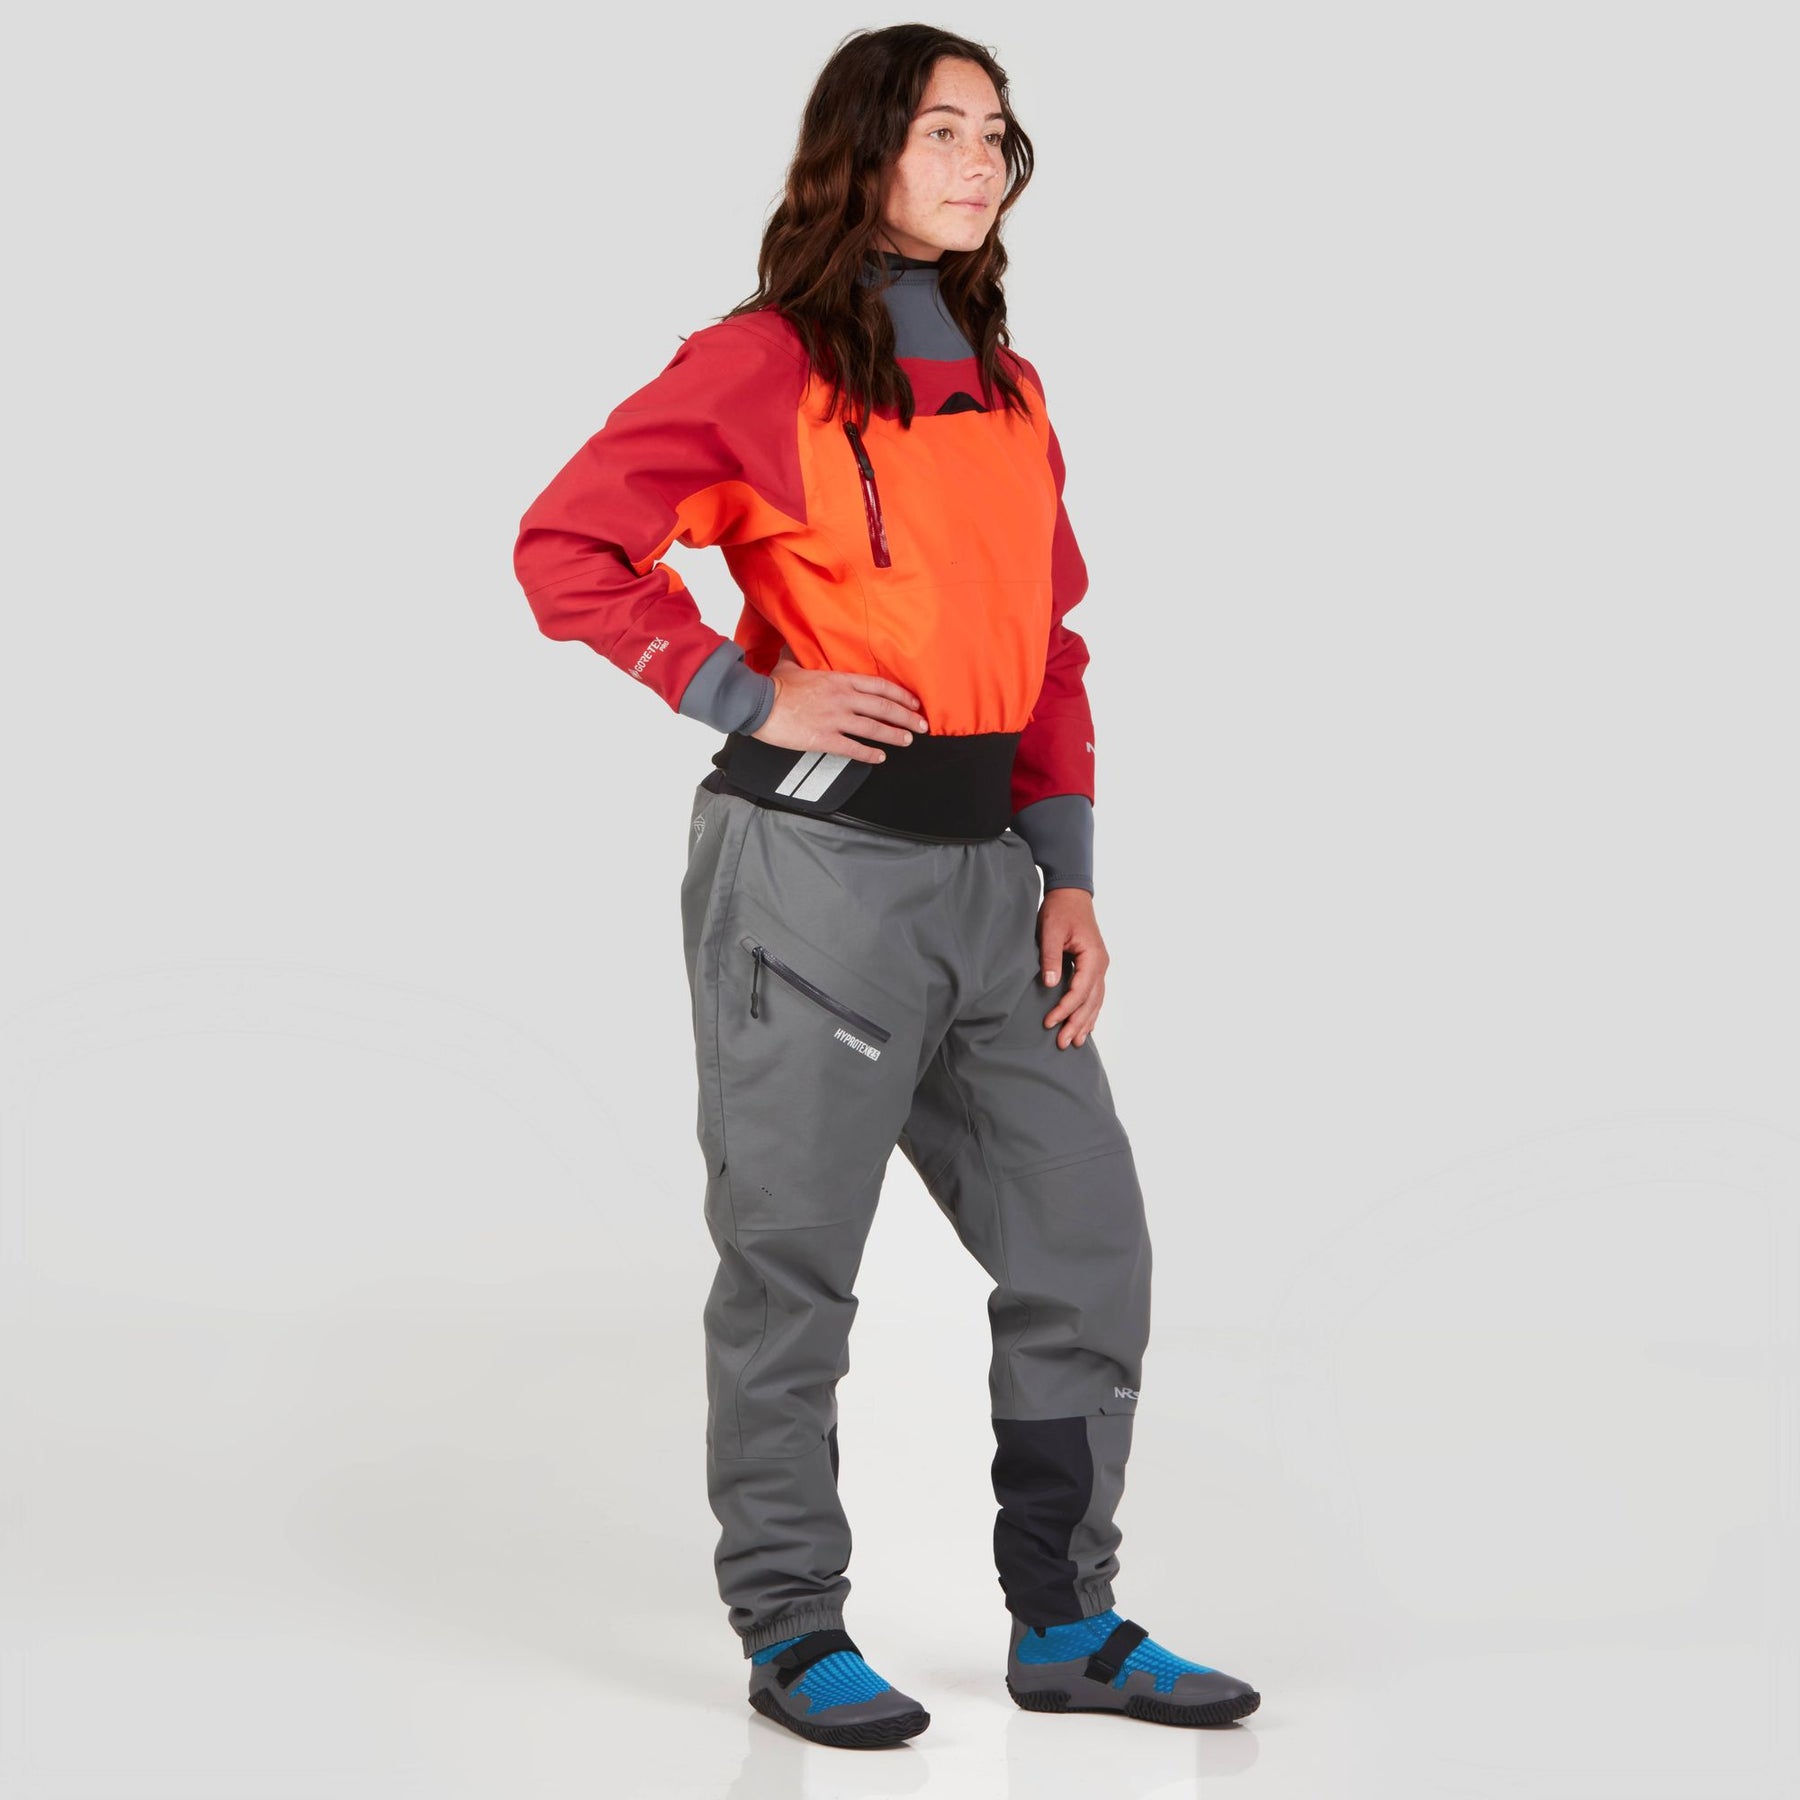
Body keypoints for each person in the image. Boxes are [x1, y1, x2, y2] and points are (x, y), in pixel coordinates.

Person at [511, 23, 1261, 1749]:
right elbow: (567, 545)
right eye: (941, 130)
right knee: (795, 1270)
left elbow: (1049, 645)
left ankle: (1068, 1624)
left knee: (1088, 1246)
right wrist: (738, 687)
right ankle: (792, 1629)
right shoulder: (759, 365)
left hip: (993, 893)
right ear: (861, 151)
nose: (980, 157)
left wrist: (1067, 874)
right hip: (814, 884)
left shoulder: (1010, 387)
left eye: (997, 131)